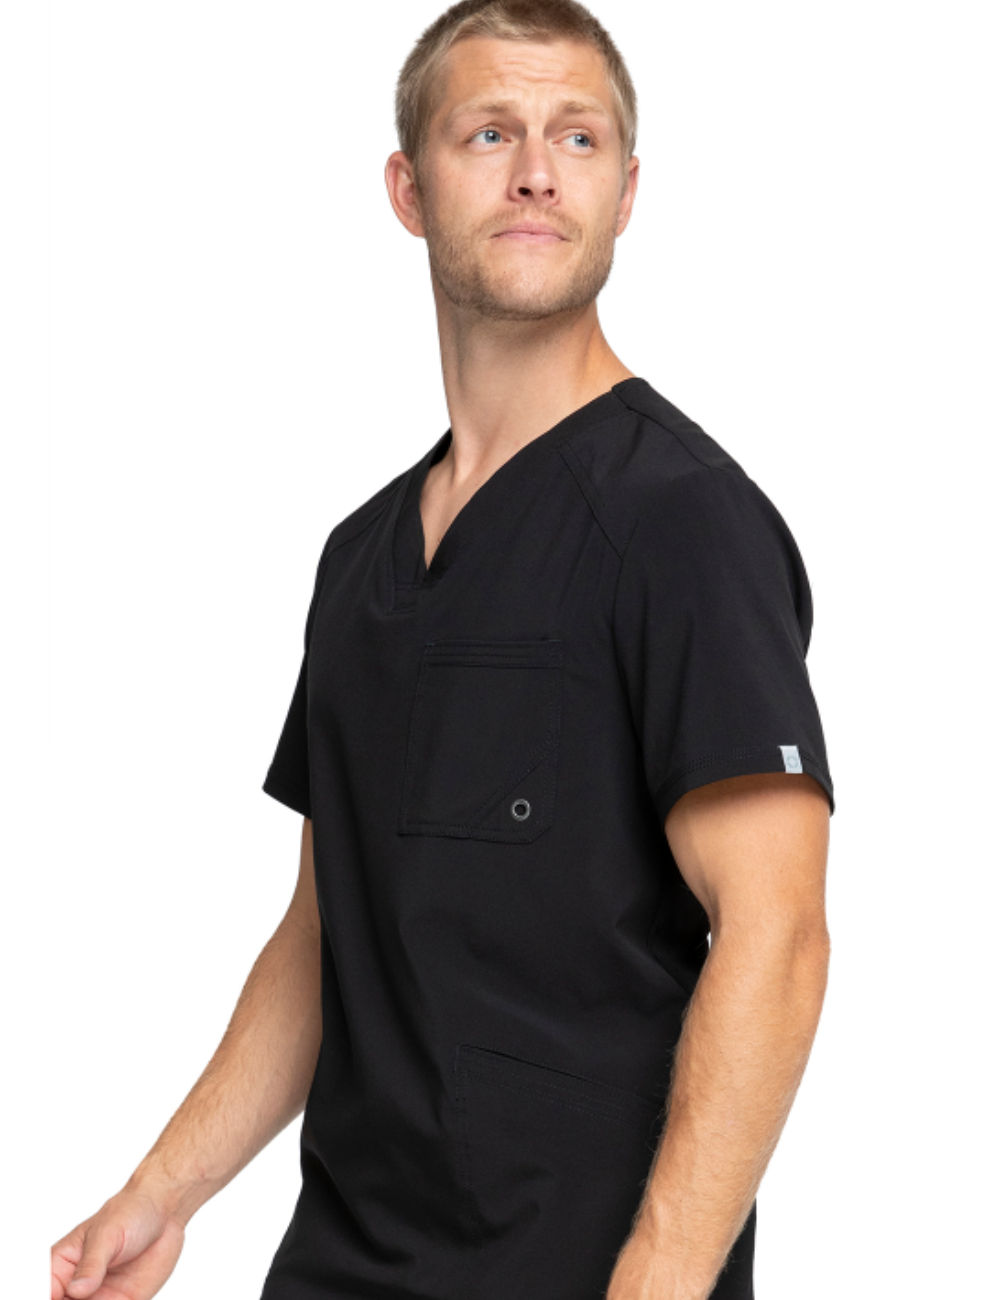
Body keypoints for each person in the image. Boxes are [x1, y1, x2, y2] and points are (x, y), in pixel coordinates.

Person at [50, 2, 834, 1298]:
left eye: (577, 137)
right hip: (343, 1262)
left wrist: (658, 1280)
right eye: (488, 133)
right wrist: (163, 1191)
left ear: (627, 192)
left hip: (574, 1269)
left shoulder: (683, 523)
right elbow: (326, 934)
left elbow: (779, 939)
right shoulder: (361, 559)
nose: (536, 171)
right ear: (409, 190)